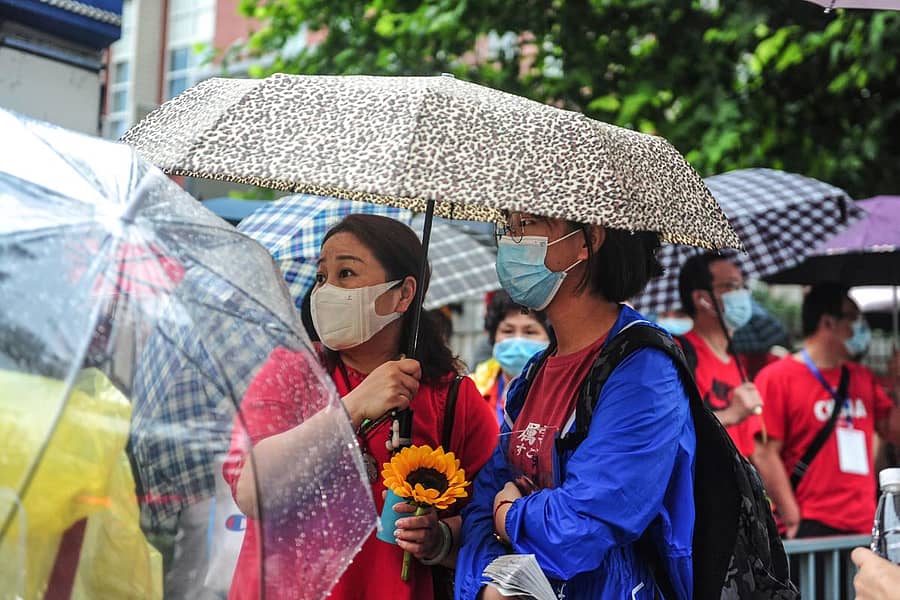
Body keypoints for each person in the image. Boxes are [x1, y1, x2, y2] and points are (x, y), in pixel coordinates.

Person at [223, 214, 498, 600]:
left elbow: (491, 523)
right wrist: (351, 408)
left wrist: (440, 540)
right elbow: (252, 493)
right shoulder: (293, 371)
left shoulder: (452, 397)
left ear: (403, 294)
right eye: (323, 277)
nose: (328, 290)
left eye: (346, 273)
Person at [456, 212, 696, 599]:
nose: (510, 240)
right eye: (508, 224)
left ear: (589, 239)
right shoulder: (535, 374)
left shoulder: (644, 372)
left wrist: (509, 518)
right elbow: (482, 506)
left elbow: (588, 521)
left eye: (527, 225)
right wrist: (492, 584)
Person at [753, 283, 900, 540]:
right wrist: (791, 516)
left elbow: (892, 432)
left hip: (865, 523)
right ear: (828, 322)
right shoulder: (777, 378)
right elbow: (764, 452)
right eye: (853, 318)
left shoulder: (861, 377)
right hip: (811, 524)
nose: (860, 328)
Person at [676, 252, 763, 458]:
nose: (742, 294)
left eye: (743, 286)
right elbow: (670, 430)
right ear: (702, 299)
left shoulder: (736, 363)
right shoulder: (677, 353)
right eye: (732, 286)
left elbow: (748, 450)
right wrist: (731, 414)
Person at [470, 290, 552, 425]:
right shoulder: (473, 390)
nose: (517, 341)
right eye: (508, 331)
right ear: (493, 336)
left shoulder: (562, 394)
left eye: (529, 332)